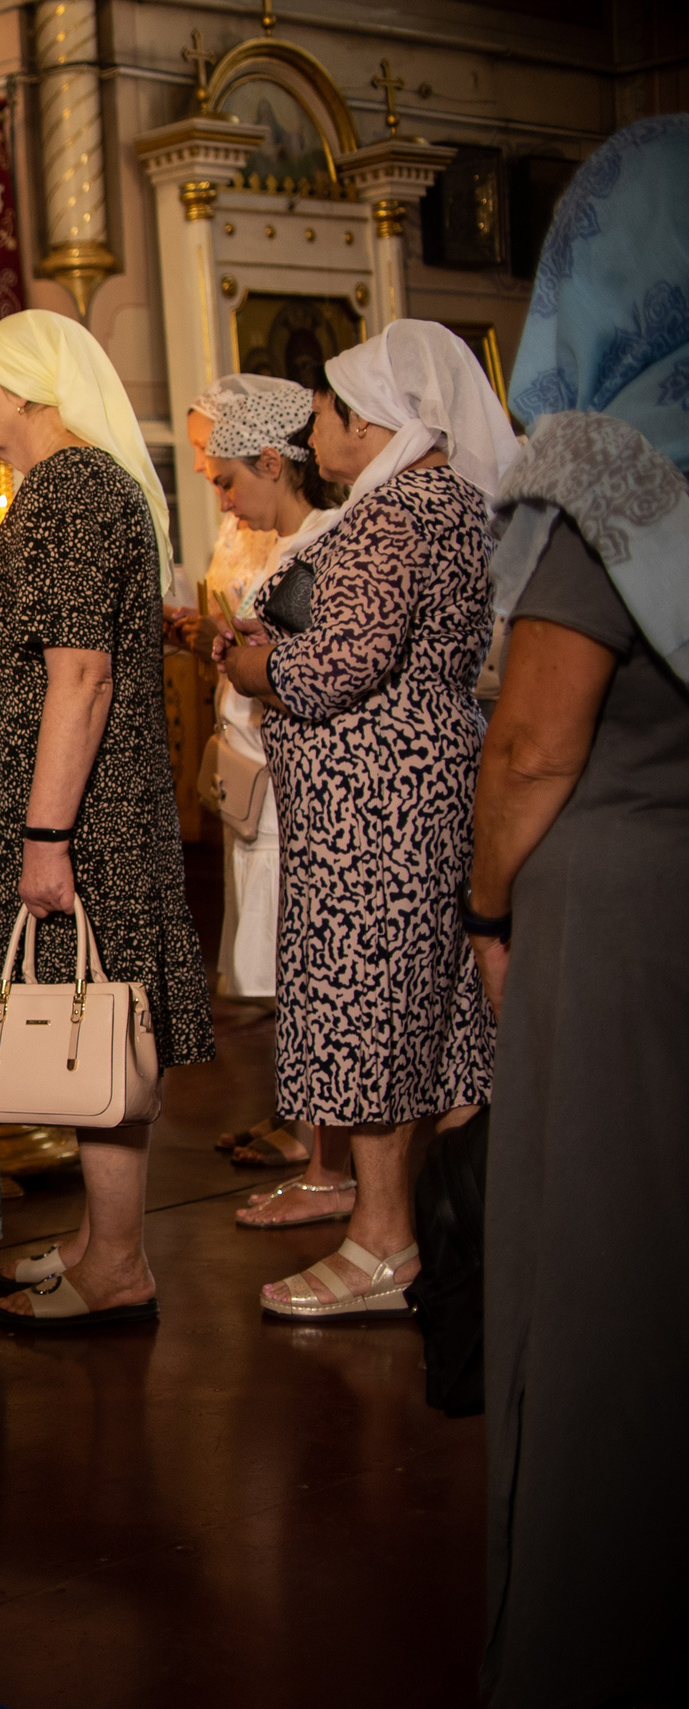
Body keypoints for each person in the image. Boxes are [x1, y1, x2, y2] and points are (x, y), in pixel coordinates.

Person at [464, 117, 689, 1709]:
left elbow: (536, 738)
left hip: (615, 919)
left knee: (605, 1276)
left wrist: (485, 908)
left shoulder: (615, 457)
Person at [215, 320, 513, 1318]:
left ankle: (383, 1240)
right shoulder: (459, 504)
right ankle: (455, 1222)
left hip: (371, 806)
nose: (321, 429)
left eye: (334, 413)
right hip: (426, 782)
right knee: (434, 1006)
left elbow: (335, 664)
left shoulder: (395, 515)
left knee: (368, 1004)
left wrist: (252, 663)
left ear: (376, 422)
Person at [0, 310, 216, 1327]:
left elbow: (81, 671)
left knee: (96, 1028)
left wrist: (45, 834)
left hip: (84, 819)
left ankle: (118, 1266)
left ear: (27, 392)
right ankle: (101, 1243)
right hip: (83, 811)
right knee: (90, 1026)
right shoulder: (69, 488)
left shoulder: (72, 486)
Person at [194, 379, 335, 1184]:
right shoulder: (279, 547)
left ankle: (318, 1134)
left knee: (301, 955)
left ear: (274, 463)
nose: (224, 498)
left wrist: (253, 661)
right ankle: (297, 1109)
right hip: (260, 771)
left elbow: (311, 668)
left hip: (297, 780)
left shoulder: (324, 539)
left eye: (227, 479)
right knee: (277, 955)